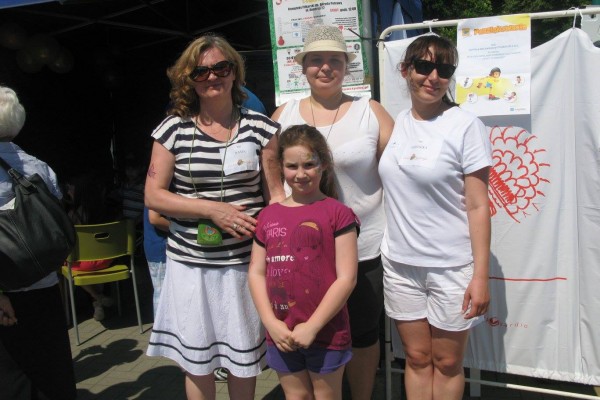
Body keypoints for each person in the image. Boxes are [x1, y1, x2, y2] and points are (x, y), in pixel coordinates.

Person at [144, 32, 285, 400]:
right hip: (191, 265)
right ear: (189, 79)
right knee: (197, 363)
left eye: (221, 68)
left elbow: (275, 196)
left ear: (234, 71)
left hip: (244, 265)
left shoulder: (261, 128)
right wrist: (211, 209)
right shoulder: (173, 128)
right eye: (201, 71)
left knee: (243, 361)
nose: (212, 77)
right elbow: (154, 196)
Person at [271, 24, 394, 400]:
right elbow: (270, 167)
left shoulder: (369, 111)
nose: (325, 67)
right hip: (300, 253)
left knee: (362, 333)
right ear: (303, 67)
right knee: (308, 331)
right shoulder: (283, 114)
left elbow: (399, 170)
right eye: (316, 60)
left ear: (346, 65)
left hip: (363, 247)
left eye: (334, 60)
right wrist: (275, 202)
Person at [378, 35, 492, 400]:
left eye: (444, 69)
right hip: (400, 264)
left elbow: (478, 206)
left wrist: (480, 276)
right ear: (405, 70)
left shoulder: (466, 125)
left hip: (450, 267)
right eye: (424, 66)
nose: (433, 77)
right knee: (415, 357)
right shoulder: (397, 121)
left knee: (446, 362)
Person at [248, 124, 359, 399]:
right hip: (281, 332)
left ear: (324, 164)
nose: (300, 174)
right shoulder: (268, 216)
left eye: (309, 164)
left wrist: (313, 326)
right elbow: (256, 273)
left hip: (327, 332)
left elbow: (347, 278)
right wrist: (270, 323)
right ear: (280, 167)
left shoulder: (339, 214)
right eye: (292, 166)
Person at [0, 85, 77, 400]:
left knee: (14, 376)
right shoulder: (38, 165)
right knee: (53, 369)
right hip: (45, 283)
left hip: (6, 291)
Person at [64, 172, 118, 321]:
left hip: (82, 265)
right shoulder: (108, 210)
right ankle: (98, 302)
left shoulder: (72, 215)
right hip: (107, 260)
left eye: (70, 189)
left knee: (67, 262)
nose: (68, 192)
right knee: (94, 264)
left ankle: (97, 297)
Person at [142, 206, 168, 318]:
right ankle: (161, 327)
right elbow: (154, 218)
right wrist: (180, 228)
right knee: (163, 296)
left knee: (162, 293)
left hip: (158, 246)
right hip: (160, 247)